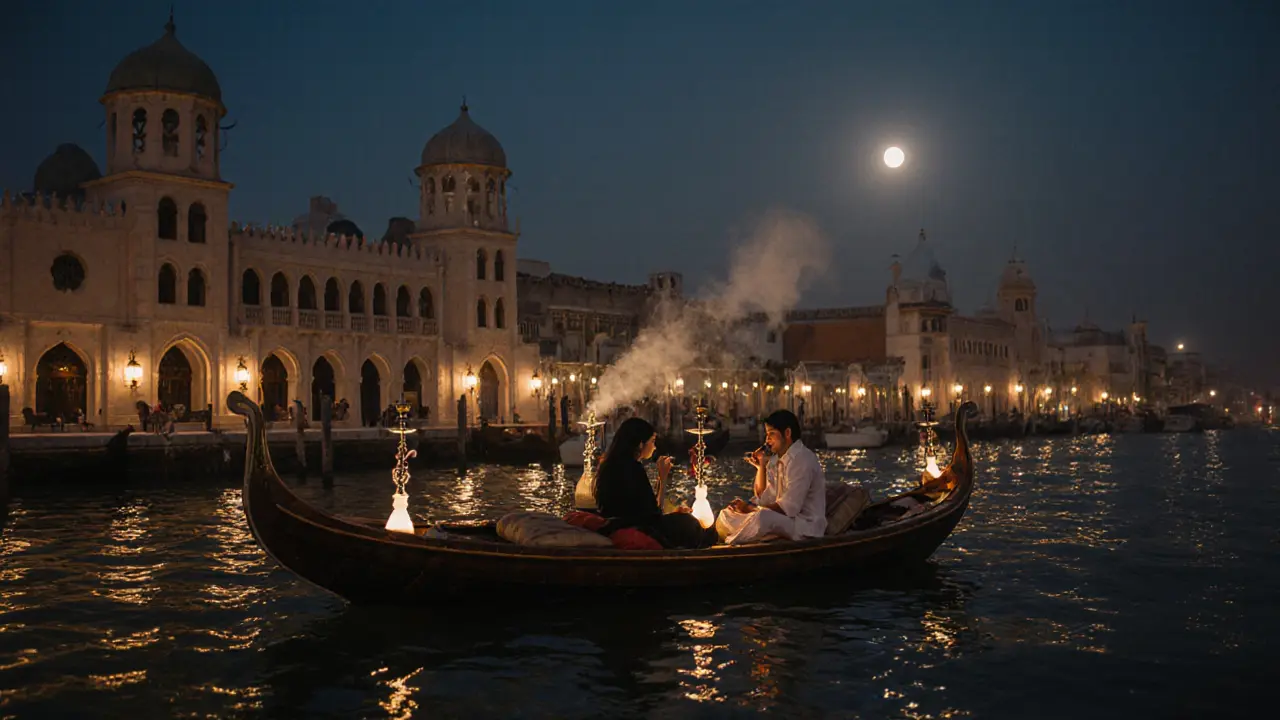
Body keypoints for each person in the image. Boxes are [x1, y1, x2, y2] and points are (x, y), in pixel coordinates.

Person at [593, 417, 718, 549]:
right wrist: (662, 477)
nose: (654, 447)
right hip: (636, 528)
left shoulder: (608, 465)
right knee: (688, 522)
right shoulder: (632, 467)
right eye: (652, 441)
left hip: (622, 524)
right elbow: (653, 515)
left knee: (683, 520)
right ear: (640, 444)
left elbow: (648, 510)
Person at [715, 409, 826, 545]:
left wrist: (750, 509)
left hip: (804, 525)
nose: (767, 440)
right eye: (767, 435)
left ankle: (734, 540)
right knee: (726, 514)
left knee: (763, 518)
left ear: (787, 433)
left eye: (772, 434)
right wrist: (761, 466)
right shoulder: (775, 461)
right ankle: (759, 534)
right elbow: (763, 496)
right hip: (782, 519)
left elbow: (789, 508)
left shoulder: (802, 459)